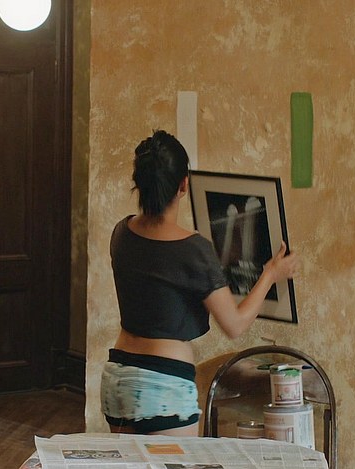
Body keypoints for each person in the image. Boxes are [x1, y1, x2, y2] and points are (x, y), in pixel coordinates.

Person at [100, 129, 299, 436]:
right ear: (183, 185)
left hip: (117, 376)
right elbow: (234, 325)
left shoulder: (121, 233)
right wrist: (270, 274)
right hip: (163, 386)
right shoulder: (193, 249)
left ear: (138, 182)